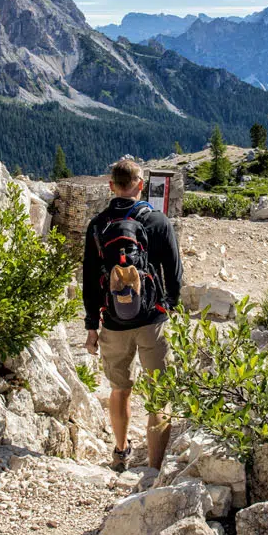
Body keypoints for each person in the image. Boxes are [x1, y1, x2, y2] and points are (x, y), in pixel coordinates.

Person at [82, 157, 182, 472]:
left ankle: (121, 453)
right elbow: (175, 273)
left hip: (113, 320)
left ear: (111, 185)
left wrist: (91, 326)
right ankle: (154, 467)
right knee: (158, 395)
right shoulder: (158, 221)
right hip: (153, 319)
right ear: (140, 185)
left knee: (119, 389)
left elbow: (88, 280)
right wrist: (170, 306)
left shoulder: (98, 225)